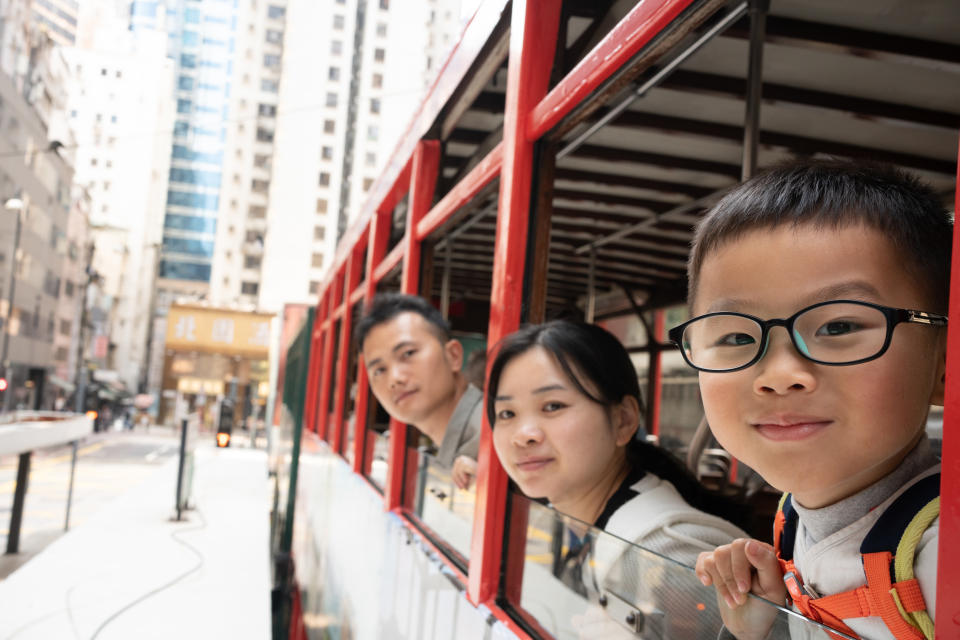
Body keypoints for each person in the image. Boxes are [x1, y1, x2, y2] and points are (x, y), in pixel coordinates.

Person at [684, 160, 949, 640]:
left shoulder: (942, 560)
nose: (781, 375)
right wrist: (760, 628)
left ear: (945, 365)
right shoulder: (793, 521)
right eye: (737, 338)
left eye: (838, 327)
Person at [488, 320, 747, 624]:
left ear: (623, 420)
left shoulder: (666, 552)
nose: (523, 435)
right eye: (507, 413)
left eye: (553, 406)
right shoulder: (590, 519)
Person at [357, 293, 482, 486]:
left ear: (453, 355)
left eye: (408, 353)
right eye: (380, 370)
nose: (395, 379)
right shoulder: (465, 444)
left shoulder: (492, 438)